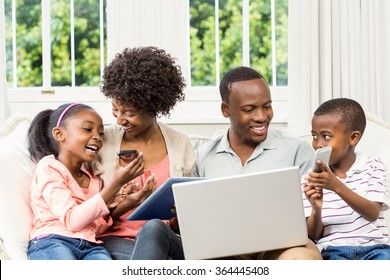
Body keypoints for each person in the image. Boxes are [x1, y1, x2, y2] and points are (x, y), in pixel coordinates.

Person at [132, 66, 322, 260]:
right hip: (220, 252)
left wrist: (316, 209)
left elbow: (313, 229)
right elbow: (188, 229)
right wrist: (181, 218)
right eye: (249, 109)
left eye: (267, 106)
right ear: (225, 109)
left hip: (279, 248)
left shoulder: (298, 151)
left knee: (300, 259)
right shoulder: (202, 157)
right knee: (157, 229)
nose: (261, 117)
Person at [97, 46, 196, 260]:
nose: (120, 119)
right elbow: (89, 209)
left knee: (153, 229)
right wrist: (126, 202)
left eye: (130, 113)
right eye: (115, 109)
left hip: (167, 238)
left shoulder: (181, 144)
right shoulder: (102, 142)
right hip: (117, 241)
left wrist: (179, 218)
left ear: (154, 107)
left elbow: (191, 211)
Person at [26, 103, 152, 260]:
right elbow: (72, 220)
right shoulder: (50, 168)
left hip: (90, 246)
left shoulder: (93, 180)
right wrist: (115, 184)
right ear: (59, 134)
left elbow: (95, 227)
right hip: (53, 241)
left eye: (101, 133)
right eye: (87, 129)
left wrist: (120, 204)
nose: (97, 137)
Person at [302, 97, 390, 260]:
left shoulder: (374, 166)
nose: (318, 144)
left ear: (353, 138)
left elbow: (372, 213)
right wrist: (316, 208)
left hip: (376, 249)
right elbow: (314, 235)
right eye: (314, 136)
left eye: (326, 136)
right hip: (334, 250)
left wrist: (336, 185)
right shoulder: (310, 178)